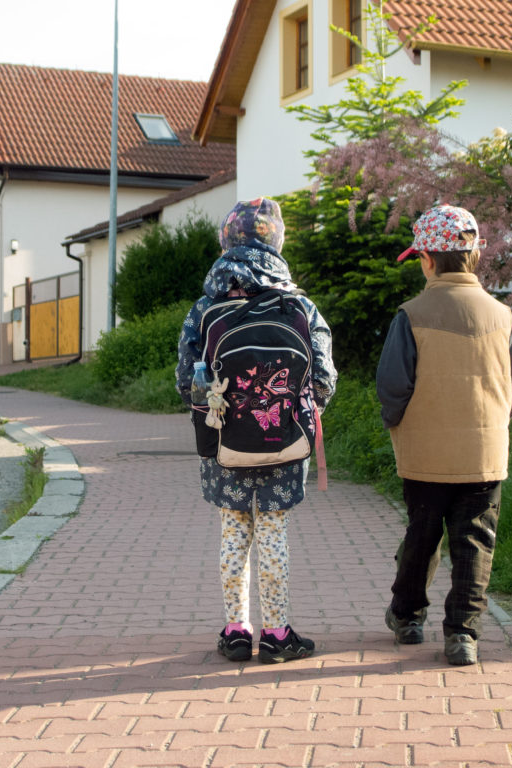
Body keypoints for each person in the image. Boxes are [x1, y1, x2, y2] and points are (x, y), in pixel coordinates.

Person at [176, 198, 337, 664]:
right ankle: (277, 634)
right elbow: (324, 378)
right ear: (277, 241)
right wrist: (292, 414)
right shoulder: (299, 306)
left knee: (233, 532)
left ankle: (235, 631)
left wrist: (218, 414)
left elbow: (187, 381)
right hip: (283, 441)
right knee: (273, 534)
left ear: (225, 241)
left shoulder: (206, 307)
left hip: (223, 440)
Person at [376, 204, 512, 666]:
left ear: (426, 259)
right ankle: (463, 634)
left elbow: (393, 385)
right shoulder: (501, 315)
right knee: (475, 542)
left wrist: (396, 421)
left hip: (425, 451)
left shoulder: (411, 314)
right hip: (485, 451)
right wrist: (495, 423)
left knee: (422, 535)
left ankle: (407, 617)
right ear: (474, 255)